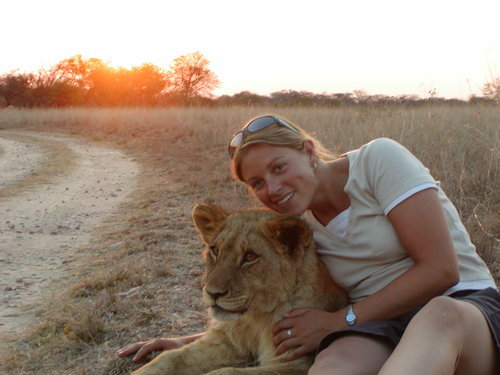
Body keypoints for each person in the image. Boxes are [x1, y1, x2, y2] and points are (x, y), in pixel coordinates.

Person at [117, 114, 499, 374]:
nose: (273, 189)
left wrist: (338, 321)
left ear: (309, 151)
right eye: (257, 183)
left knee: (438, 315)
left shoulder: (379, 160)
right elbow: (274, 305)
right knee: (330, 367)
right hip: (378, 323)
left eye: (278, 168)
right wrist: (190, 342)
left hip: (460, 306)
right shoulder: (293, 232)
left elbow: (440, 270)